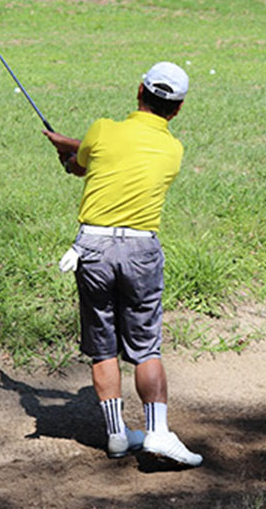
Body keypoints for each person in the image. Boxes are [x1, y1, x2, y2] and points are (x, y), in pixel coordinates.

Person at [42, 61, 203, 467]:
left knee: (103, 346)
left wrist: (69, 151)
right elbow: (113, 158)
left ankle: (117, 435)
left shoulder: (101, 131)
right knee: (145, 347)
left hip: (91, 248)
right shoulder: (173, 149)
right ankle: (157, 434)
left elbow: (82, 163)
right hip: (139, 250)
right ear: (178, 109)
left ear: (138, 92)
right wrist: (74, 149)